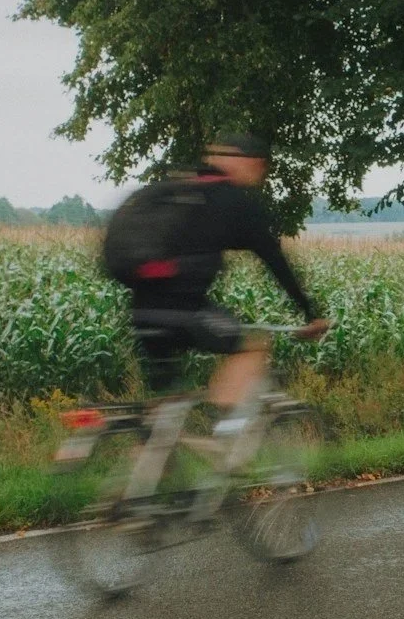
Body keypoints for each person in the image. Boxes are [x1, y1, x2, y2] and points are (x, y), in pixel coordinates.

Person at [100, 131, 330, 428]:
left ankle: (149, 466)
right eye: (259, 164)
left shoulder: (177, 192)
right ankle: (226, 440)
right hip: (187, 312)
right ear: (247, 163)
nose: (261, 172)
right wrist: (310, 314)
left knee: (165, 409)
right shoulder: (235, 204)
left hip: (142, 314)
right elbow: (276, 263)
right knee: (254, 345)